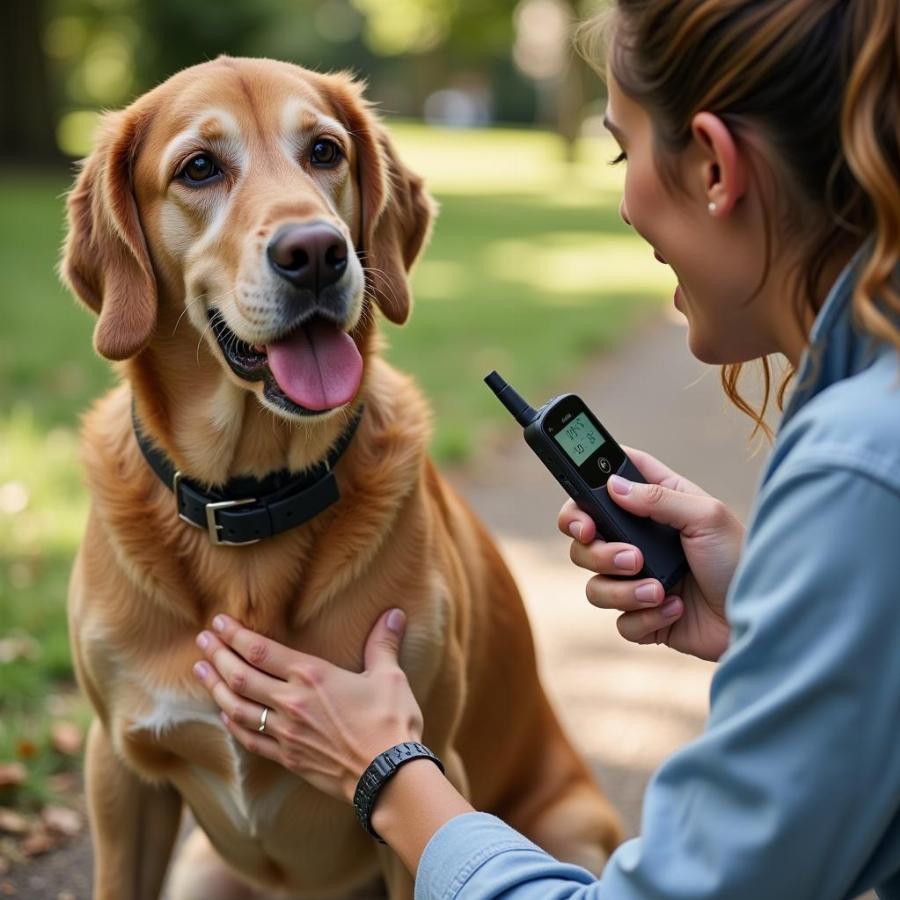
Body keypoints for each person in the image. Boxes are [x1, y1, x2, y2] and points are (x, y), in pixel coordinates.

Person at [191, 0, 900, 896]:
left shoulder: (860, 466)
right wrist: (780, 622)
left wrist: (385, 771)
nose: (623, 200)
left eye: (622, 149)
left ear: (715, 166)